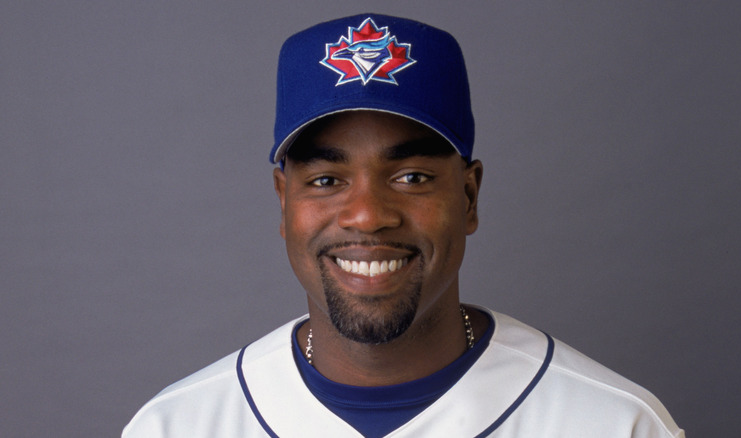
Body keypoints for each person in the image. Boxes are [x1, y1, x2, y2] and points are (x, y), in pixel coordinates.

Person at [123, 13, 685, 437]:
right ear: (283, 200)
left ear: (468, 197)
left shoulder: (613, 424)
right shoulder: (178, 426)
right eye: (325, 180)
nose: (367, 214)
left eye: (412, 176)